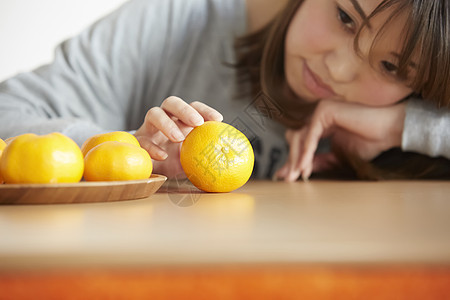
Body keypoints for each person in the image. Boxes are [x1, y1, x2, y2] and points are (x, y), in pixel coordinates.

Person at [0, 0, 449, 182]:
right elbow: (8, 108)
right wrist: (120, 154)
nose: (337, 67)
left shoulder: (410, 115)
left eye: (392, 67)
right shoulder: (177, 19)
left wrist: (408, 128)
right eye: (345, 17)